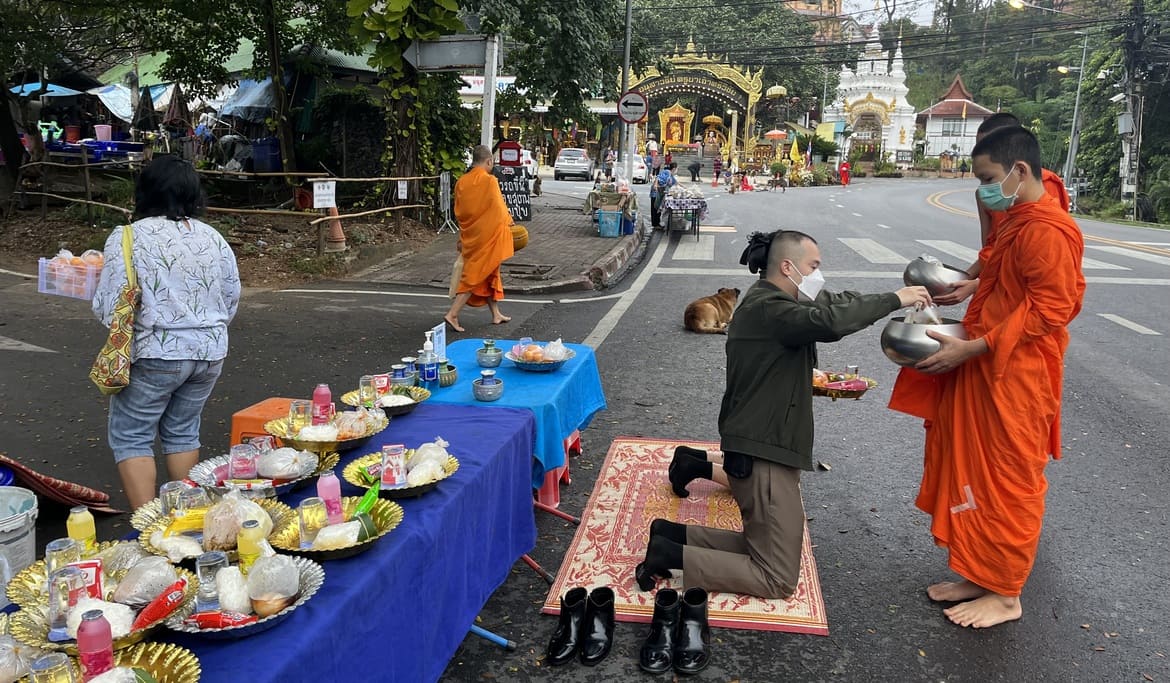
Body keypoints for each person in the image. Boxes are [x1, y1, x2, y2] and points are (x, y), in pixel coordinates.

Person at [638, 230, 932, 598]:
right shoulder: (770, 308)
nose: (818, 275)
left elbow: (830, 305)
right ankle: (671, 556)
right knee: (777, 576)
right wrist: (895, 298)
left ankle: (672, 536)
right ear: (788, 266)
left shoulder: (773, 300)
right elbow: (830, 322)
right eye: (814, 266)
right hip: (763, 452)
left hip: (763, 440)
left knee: (765, 547)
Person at [889, 126, 1085, 628]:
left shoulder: (1047, 230)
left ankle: (1006, 593)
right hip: (986, 362)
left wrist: (974, 347)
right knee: (972, 467)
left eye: (988, 178)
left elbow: (1054, 309)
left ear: (1020, 171)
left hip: (1016, 375)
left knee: (1008, 479)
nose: (983, 190)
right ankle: (979, 572)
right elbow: (1000, 270)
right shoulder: (1019, 217)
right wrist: (969, 288)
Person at [91, 155, 240, 510]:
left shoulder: (128, 237)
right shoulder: (212, 237)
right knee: (183, 430)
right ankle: (185, 516)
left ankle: (150, 526)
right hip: (209, 350)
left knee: (132, 435)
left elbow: (110, 305)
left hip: (156, 351)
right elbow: (231, 295)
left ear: (146, 192)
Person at [935, 112, 1070, 306]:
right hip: (996, 289)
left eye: (988, 179)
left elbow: (1046, 283)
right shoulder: (989, 194)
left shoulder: (1044, 189)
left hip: (1023, 298)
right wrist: (962, 280)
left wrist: (976, 285)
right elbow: (992, 249)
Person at [445, 145, 515, 332]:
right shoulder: (489, 181)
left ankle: (496, 314)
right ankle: (452, 314)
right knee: (474, 276)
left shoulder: (461, 182)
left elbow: (460, 212)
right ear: (489, 161)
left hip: (472, 235)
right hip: (488, 236)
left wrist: (463, 235)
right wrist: (509, 221)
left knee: (490, 272)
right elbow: (498, 208)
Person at [650, 162, 678, 229]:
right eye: (677, 169)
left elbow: (676, 183)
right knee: (655, 208)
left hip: (661, 193)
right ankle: (655, 224)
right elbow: (658, 177)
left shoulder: (671, 176)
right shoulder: (667, 172)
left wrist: (685, 188)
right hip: (656, 192)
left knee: (658, 208)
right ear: (674, 169)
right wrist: (655, 185)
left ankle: (657, 223)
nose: (677, 170)